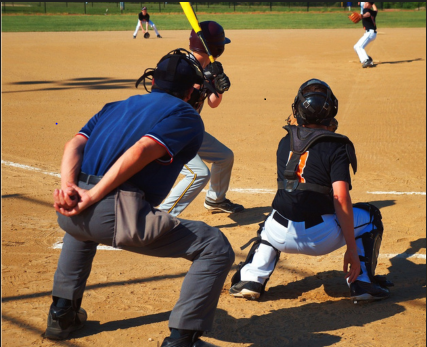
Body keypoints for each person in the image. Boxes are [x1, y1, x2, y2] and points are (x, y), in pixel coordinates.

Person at [44, 48, 234, 347]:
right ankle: (182, 341)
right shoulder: (185, 115)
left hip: (72, 212)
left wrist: (71, 187)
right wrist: (94, 194)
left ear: (153, 80)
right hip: (117, 214)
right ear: (190, 90)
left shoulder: (115, 105)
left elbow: (75, 143)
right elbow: (143, 150)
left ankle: (61, 314)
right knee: (214, 246)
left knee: (81, 232)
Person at [229, 79, 393, 303]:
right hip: (320, 237)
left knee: (271, 222)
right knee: (371, 216)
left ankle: (251, 279)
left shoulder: (284, 140)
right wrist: (351, 250)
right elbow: (340, 197)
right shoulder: (336, 146)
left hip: (279, 234)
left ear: (297, 110)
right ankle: (362, 282)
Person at [159, 21, 244, 216]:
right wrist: (200, 82)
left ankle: (215, 200)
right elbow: (171, 104)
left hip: (189, 130)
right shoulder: (180, 66)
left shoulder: (210, 67)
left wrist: (219, 87)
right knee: (198, 173)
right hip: (168, 132)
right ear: (215, 46)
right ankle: (162, 217)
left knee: (224, 157)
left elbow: (213, 102)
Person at [354, 2, 378, 68]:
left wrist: (362, 16)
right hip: (370, 33)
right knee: (356, 46)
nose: (365, 4)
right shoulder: (373, 12)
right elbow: (376, 10)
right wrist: (372, 3)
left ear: (369, 5)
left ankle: (367, 60)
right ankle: (367, 58)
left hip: (370, 33)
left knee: (359, 46)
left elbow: (367, 14)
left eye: (367, 3)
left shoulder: (366, 10)